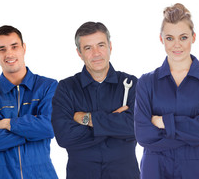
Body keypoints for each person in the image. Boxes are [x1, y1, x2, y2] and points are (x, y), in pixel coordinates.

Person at [134, 3, 199, 179]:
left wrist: (163, 122)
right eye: (170, 38)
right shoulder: (146, 82)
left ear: (193, 37)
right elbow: (144, 136)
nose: (177, 45)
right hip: (156, 170)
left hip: (198, 172)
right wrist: (194, 126)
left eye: (183, 37)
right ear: (161, 39)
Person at [51, 22, 139, 179]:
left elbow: (137, 127)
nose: (96, 53)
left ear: (110, 47)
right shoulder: (66, 88)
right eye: (88, 48)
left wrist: (86, 119)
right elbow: (64, 137)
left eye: (101, 45)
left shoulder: (131, 83)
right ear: (79, 53)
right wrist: (115, 124)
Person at [0, 25, 58, 179]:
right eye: (2, 49)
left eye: (14, 46)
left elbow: (51, 127)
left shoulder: (48, 87)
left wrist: (8, 124)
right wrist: (34, 132)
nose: (9, 54)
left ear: (24, 48)